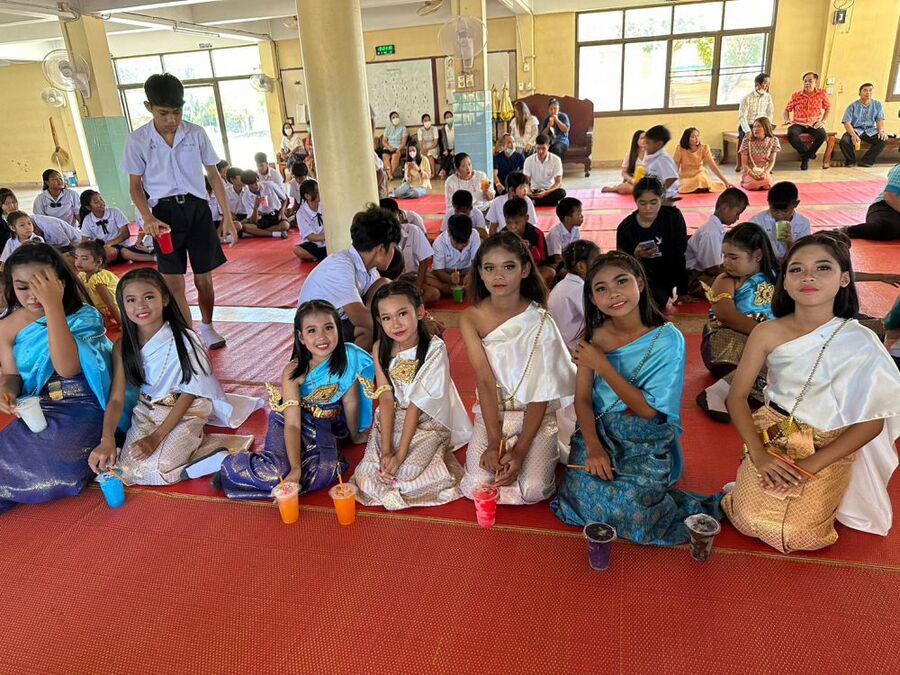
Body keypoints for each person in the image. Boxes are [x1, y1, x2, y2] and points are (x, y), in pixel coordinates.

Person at [722, 234, 900, 552]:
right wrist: (760, 456)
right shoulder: (767, 332)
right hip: (773, 433)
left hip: (829, 444)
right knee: (747, 520)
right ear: (785, 282)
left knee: (800, 535)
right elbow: (735, 398)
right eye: (796, 269)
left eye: (822, 267)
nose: (808, 276)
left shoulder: (861, 340)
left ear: (844, 278)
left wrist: (809, 467)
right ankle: (745, 478)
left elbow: (872, 423)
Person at [550, 251, 723, 543]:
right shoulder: (592, 337)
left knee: (634, 512)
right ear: (592, 299)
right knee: (577, 498)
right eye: (601, 288)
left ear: (640, 283)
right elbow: (582, 399)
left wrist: (602, 364)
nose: (613, 293)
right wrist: (594, 448)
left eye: (621, 281)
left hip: (646, 437)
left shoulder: (668, 339)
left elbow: (648, 411)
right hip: (599, 431)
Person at [89, 268, 260, 485]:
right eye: (131, 300)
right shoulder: (123, 346)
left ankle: (217, 452)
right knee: (128, 470)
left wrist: (155, 438)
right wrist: (107, 439)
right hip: (147, 410)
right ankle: (196, 458)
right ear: (122, 305)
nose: (140, 306)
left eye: (148, 297)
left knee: (160, 468)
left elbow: (191, 392)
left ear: (165, 299)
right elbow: (116, 399)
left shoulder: (185, 339)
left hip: (186, 409)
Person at [458, 232, 576, 504]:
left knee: (533, 490)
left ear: (524, 270)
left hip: (536, 414)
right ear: (480, 273)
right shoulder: (471, 318)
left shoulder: (540, 320)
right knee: (478, 485)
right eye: (490, 268)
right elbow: (485, 382)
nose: (498, 276)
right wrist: (493, 442)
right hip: (493, 410)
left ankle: (538, 452)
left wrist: (520, 451)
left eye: (508, 267)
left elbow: (541, 392)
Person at [121, 73, 237, 350]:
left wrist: (228, 217)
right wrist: (148, 217)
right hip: (163, 216)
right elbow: (135, 187)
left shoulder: (196, 133)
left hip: (197, 210)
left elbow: (214, 176)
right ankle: (187, 335)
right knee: (173, 282)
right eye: (164, 113)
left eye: (177, 112)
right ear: (149, 107)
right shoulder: (137, 140)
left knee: (203, 279)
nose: (172, 119)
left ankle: (207, 327)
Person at [218, 300, 373, 498]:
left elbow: (351, 402)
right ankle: (230, 464)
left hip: (327, 425)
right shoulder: (294, 371)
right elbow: (292, 425)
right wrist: (296, 470)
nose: (322, 337)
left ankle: (271, 482)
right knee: (277, 472)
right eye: (312, 331)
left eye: (328, 328)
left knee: (329, 468)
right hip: (291, 422)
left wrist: (355, 435)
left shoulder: (349, 358)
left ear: (338, 329)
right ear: (301, 337)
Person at [0, 244, 114, 513]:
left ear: (60, 282)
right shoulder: (6, 326)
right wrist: (7, 391)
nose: (33, 295)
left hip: (84, 404)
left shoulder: (84, 316)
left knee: (56, 466)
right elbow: (13, 375)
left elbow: (67, 369)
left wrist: (53, 308)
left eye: (42, 285)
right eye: (23, 287)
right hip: (38, 406)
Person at [352, 282, 472, 509]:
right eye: (386, 318)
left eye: (402, 314)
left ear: (419, 311)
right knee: (369, 477)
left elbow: (417, 404)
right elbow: (386, 398)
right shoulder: (379, 347)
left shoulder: (434, 348)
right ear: (379, 321)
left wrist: (399, 455)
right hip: (393, 417)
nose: (395, 324)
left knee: (406, 473)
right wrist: (387, 450)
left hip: (428, 419)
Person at [696, 222, 778, 421]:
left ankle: (726, 388)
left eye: (733, 257)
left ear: (757, 256)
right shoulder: (726, 280)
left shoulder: (777, 277)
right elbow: (726, 315)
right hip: (726, 343)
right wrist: (767, 336)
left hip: (764, 343)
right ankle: (717, 392)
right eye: (724, 255)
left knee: (786, 361)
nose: (726, 262)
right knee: (766, 355)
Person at [297, 204, 399, 350]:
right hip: (316, 336)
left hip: (336, 323)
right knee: (370, 327)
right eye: (394, 247)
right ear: (381, 249)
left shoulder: (368, 270)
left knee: (384, 284)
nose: (395, 252)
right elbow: (363, 320)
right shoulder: (340, 265)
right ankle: (351, 365)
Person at [615, 176, 688, 310]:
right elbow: (621, 265)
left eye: (653, 202)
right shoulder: (626, 227)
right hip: (642, 276)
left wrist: (682, 290)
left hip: (667, 273)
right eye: (642, 203)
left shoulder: (673, 218)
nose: (648, 208)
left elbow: (680, 253)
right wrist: (636, 256)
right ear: (635, 201)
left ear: (662, 199)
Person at [685, 187, 750, 295]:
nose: (738, 218)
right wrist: (740, 274)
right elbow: (712, 269)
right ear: (725, 208)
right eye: (737, 213)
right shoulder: (711, 232)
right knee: (742, 286)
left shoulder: (716, 229)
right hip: (695, 279)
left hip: (705, 274)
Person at [547, 240, 600, 351]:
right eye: (597, 261)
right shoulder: (579, 288)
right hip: (571, 348)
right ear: (581, 266)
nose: (600, 266)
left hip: (561, 343)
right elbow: (596, 318)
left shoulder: (564, 284)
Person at [79, 190, 156, 264]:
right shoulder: (87, 220)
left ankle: (154, 258)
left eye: (101, 199)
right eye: (96, 202)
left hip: (121, 246)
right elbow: (84, 241)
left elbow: (125, 234)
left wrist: (108, 244)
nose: (101, 203)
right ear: (88, 207)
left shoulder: (114, 212)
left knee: (110, 253)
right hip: (104, 249)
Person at [750, 181, 811, 259]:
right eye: (774, 211)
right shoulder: (757, 221)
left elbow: (804, 254)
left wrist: (790, 244)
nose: (779, 215)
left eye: (785, 211)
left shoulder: (803, 223)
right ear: (768, 203)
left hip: (791, 262)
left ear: (796, 204)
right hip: (765, 262)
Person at [783, 72, 830, 171]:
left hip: (814, 123)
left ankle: (806, 157)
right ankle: (807, 154)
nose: (807, 83)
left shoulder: (821, 93)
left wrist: (823, 121)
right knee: (791, 133)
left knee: (822, 135)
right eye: (805, 81)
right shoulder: (796, 95)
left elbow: (828, 108)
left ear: (815, 82)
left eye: (810, 81)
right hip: (798, 123)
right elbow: (787, 109)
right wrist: (787, 120)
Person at [503, 197, 554, 286]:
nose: (513, 227)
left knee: (550, 272)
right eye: (509, 223)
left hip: (532, 273)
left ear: (526, 218)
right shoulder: (502, 236)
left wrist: (530, 249)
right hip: (510, 275)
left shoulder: (536, 234)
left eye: (517, 222)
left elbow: (543, 261)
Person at [843, 161, 900, 241]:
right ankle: (848, 230)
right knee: (888, 227)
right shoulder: (898, 169)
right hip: (887, 207)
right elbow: (890, 197)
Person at [428, 213, 481, 298]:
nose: (460, 247)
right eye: (456, 243)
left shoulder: (474, 235)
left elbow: (476, 261)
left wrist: (470, 274)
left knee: (484, 272)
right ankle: (455, 287)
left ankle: (456, 288)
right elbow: (439, 270)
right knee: (426, 276)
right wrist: (450, 278)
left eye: (464, 243)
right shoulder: (439, 243)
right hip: (446, 272)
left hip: (468, 270)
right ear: (449, 233)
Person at [73, 239, 122, 327]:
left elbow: (110, 304)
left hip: (112, 310)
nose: (78, 262)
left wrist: (121, 323)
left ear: (98, 262)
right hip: (97, 309)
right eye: (76, 257)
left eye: (84, 259)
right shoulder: (82, 275)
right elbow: (81, 296)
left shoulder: (98, 280)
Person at [839, 83, 888, 167]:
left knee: (883, 140)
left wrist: (881, 131)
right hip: (856, 130)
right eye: (865, 90)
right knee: (844, 141)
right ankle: (850, 161)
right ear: (859, 93)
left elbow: (879, 119)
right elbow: (847, 122)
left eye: (870, 90)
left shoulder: (877, 104)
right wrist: (853, 135)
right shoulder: (852, 106)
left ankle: (866, 161)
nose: (868, 92)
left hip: (871, 130)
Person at [673, 127, 731, 193]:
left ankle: (697, 187)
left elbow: (713, 166)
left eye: (698, 136)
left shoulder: (704, 148)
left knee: (700, 179)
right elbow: (675, 167)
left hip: (699, 173)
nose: (697, 139)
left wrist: (726, 182)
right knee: (682, 185)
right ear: (687, 139)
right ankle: (696, 188)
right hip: (686, 176)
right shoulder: (680, 149)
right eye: (693, 137)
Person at [737, 73, 775, 172]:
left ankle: (766, 165)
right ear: (757, 84)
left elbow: (770, 112)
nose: (767, 86)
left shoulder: (768, 97)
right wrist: (747, 131)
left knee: (770, 139)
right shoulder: (747, 98)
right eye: (765, 83)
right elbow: (742, 117)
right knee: (747, 139)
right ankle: (745, 165)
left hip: (762, 125)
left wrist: (768, 125)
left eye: (768, 84)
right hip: (748, 125)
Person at [239, 169, 290, 239]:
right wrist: (256, 208)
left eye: (257, 181)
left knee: (285, 225)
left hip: (276, 214)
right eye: (252, 183)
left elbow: (285, 198)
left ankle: (257, 233)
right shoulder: (245, 196)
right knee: (245, 227)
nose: (256, 184)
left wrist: (282, 212)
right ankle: (275, 233)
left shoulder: (269, 185)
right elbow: (253, 221)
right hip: (262, 218)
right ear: (247, 185)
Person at [486, 171, 539, 235]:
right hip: (504, 237)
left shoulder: (527, 201)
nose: (525, 190)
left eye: (526, 187)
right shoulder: (497, 202)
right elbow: (492, 228)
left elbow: (532, 225)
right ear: (511, 190)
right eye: (522, 187)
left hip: (523, 237)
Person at [523, 134, 566, 207]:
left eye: (543, 148)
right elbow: (525, 181)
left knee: (561, 193)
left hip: (549, 190)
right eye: (538, 148)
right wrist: (528, 190)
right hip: (534, 191)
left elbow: (558, 182)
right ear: (535, 146)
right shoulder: (528, 160)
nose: (540, 151)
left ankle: (535, 202)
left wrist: (546, 192)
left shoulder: (556, 160)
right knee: (521, 193)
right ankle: (549, 202)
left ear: (548, 147)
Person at [739, 116, 780, 191]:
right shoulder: (747, 141)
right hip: (750, 171)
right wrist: (752, 174)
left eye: (759, 126)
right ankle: (744, 182)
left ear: (766, 128)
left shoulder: (774, 140)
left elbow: (771, 161)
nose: (755, 129)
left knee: (767, 185)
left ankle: (762, 180)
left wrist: (765, 172)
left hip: (763, 171)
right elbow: (744, 164)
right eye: (754, 127)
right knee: (754, 186)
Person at [292, 179, 327, 262]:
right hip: (314, 244)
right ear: (307, 196)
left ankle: (320, 256)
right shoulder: (301, 213)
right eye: (316, 192)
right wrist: (328, 237)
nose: (320, 193)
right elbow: (310, 237)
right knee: (297, 250)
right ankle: (326, 254)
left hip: (329, 241)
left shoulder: (325, 204)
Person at [641, 125, 680, 201]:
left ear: (659, 144)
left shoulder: (663, 159)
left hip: (666, 196)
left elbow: (672, 177)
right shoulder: (652, 157)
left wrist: (661, 192)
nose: (645, 146)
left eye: (648, 143)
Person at [546, 197, 583, 272]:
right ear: (567, 219)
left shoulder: (575, 229)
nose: (582, 216)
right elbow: (557, 258)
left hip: (565, 257)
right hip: (551, 261)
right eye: (578, 214)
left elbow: (575, 249)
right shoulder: (555, 233)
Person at [602, 130, 645, 194]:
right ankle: (614, 188)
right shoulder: (630, 154)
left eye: (646, 138)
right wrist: (632, 180)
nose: (645, 140)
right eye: (642, 138)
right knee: (626, 188)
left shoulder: (651, 153)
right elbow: (623, 173)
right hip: (634, 182)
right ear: (636, 140)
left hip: (647, 182)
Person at [381, 111, 408, 178]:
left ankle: (388, 176)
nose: (395, 118)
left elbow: (403, 142)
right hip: (388, 147)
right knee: (385, 156)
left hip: (398, 147)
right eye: (393, 117)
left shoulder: (403, 128)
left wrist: (398, 150)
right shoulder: (387, 128)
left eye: (397, 117)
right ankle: (390, 176)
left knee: (395, 157)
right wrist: (389, 147)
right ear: (391, 120)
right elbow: (384, 141)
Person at [438, 110, 456, 179]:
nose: (449, 118)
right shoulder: (444, 128)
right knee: (444, 156)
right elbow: (443, 140)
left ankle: (443, 171)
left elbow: (458, 139)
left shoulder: (456, 127)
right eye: (447, 117)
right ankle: (444, 171)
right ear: (445, 119)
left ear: (453, 117)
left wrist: (454, 149)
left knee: (450, 156)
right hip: (447, 148)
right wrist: (445, 149)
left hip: (455, 148)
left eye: (450, 117)